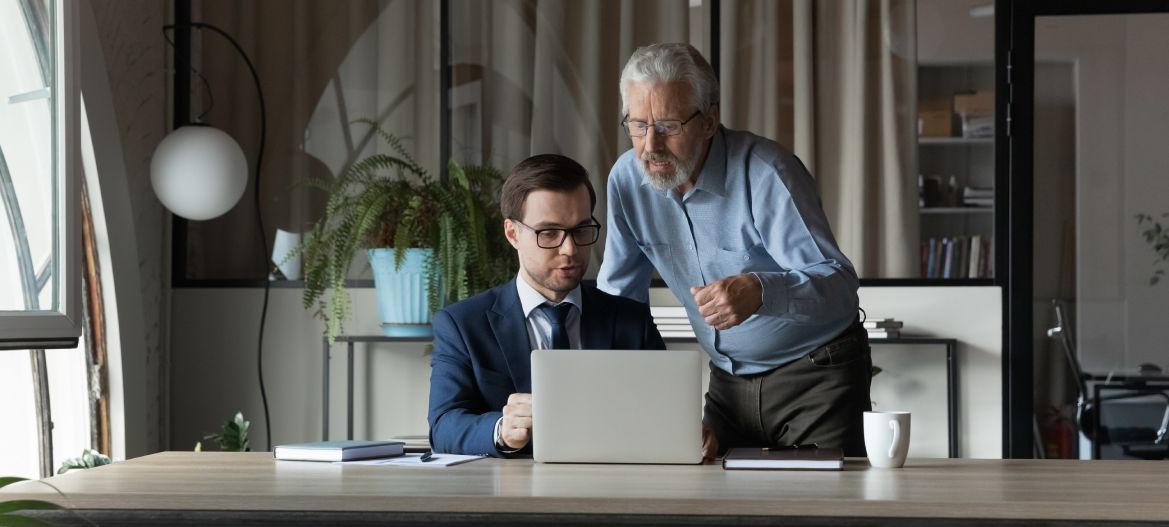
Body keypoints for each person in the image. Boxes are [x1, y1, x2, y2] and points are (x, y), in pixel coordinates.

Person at [597, 43, 869, 459]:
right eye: (637, 125)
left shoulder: (767, 173)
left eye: (668, 126)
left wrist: (762, 291)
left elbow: (839, 285)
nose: (650, 145)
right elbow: (620, 304)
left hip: (816, 378)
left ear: (709, 120)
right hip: (725, 384)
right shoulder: (626, 180)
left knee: (822, 510)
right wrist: (653, 402)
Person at [428, 154, 667, 457]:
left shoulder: (632, 320)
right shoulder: (462, 324)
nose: (569, 249)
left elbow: (664, 416)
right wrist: (501, 429)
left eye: (581, 230)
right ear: (512, 233)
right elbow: (443, 426)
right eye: (549, 233)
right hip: (509, 495)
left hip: (611, 487)